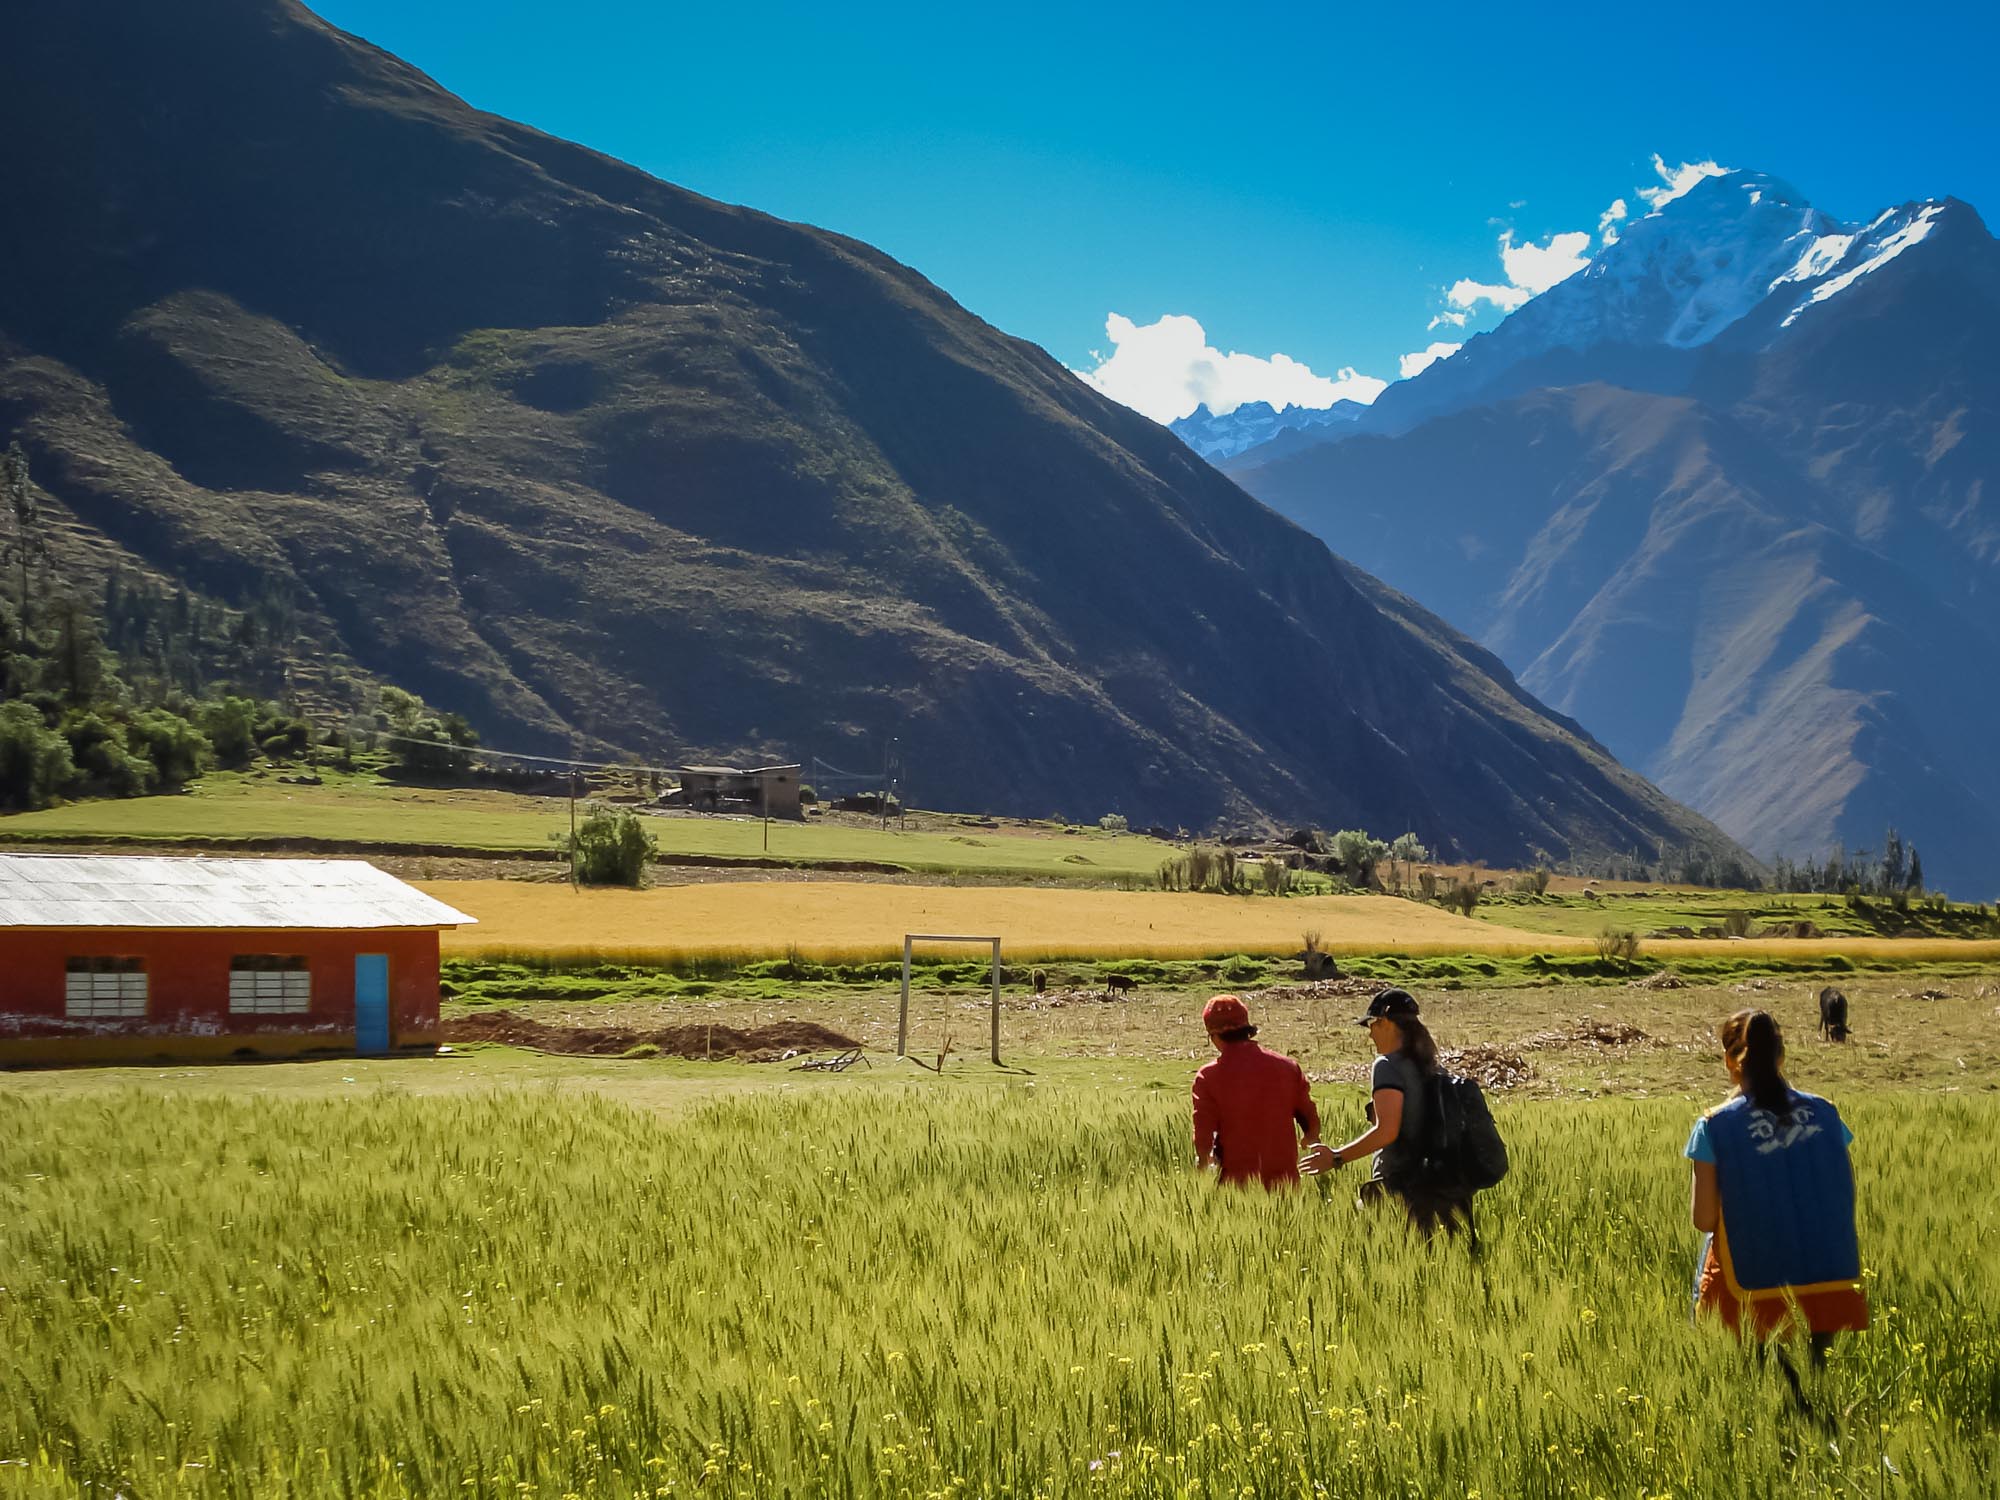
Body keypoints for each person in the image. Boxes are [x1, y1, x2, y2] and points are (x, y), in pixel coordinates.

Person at [1686, 1009, 1868, 1357]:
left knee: (1753, 1385)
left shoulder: (1714, 1126)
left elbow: (1704, 1220)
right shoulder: (1826, 1113)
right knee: (1815, 1388)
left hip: (1750, 1289)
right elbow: (1843, 1191)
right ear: (1781, 1056)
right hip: (1827, 1279)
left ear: (1730, 1059)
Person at [1302, 988, 1469, 1237]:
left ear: (1386, 1023)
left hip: (1401, 1190)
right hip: (1448, 1189)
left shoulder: (1387, 1066)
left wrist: (1336, 1157)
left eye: (1371, 1024)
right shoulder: (1435, 1068)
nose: (1370, 1034)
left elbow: (1387, 1130)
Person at [1190, 994, 1321, 1189]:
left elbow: (1203, 1135)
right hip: (1285, 1183)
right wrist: (1310, 1138)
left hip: (1235, 1186)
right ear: (1247, 1029)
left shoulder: (1208, 1076)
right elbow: (1310, 1120)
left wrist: (1202, 1164)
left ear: (1214, 1035)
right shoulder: (1287, 1067)